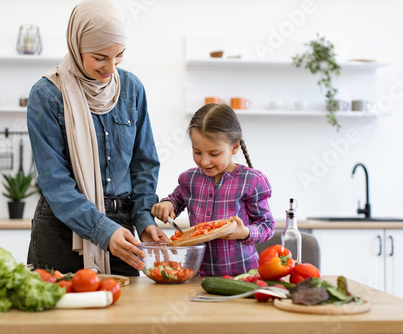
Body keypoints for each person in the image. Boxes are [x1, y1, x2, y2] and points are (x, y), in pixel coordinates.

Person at [27, 0, 167, 277]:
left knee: (124, 317)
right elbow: (55, 183)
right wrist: (102, 230)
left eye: (119, 56)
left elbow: (144, 164)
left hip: (123, 229)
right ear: (75, 47)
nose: (110, 68)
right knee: (60, 318)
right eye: (100, 57)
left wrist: (143, 219)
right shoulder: (46, 95)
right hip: (61, 232)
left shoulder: (131, 88)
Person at [151, 103, 275, 276]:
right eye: (197, 152)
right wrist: (166, 204)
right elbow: (175, 200)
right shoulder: (189, 179)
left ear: (234, 147)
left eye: (214, 154)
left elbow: (267, 226)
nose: (204, 162)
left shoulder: (252, 181)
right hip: (197, 274)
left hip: (242, 276)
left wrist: (244, 232)